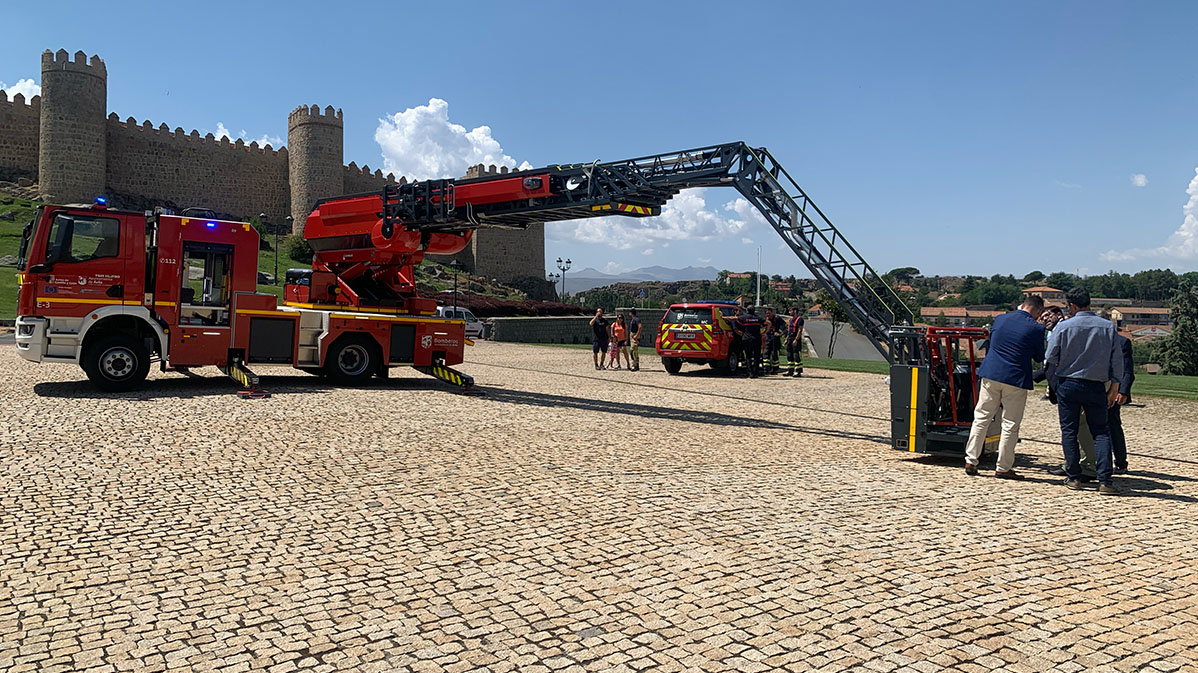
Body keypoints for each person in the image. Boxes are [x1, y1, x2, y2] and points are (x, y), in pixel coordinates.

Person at [1045, 287, 1124, 495]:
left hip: (1068, 383)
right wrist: (1114, 387)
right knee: (1100, 431)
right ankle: (1105, 480)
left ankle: (1074, 477)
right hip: (1096, 384)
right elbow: (1117, 362)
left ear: (1071, 305)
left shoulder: (1064, 327)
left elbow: (1050, 356)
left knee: (1069, 430)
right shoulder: (1108, 327)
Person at [963, 295, 1046, 479]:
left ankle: (971, 459)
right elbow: (1039, 357)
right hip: (1015, 378)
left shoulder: (1000, 318)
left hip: (991, 373)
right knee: (1010, 423)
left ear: (1022, 305)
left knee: (981, 417)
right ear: (1038, 311)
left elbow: (992, 343)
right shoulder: (1036, 328)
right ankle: (1003, 467)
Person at [737, 306, 765, 378]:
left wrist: (723, 317)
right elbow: (768, 323)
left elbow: (734, 318)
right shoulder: (758, 318)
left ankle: (750, 373)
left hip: (747, 339)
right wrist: (765, 332)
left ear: (747, 310)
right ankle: (756, 373)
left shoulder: (744, 318)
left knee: (748, 356)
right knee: (756, 356)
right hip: (756, 339)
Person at [763, 307, 785, 375]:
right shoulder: (766, 319)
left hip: (775, 337)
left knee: (774, 353)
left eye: (769, 313)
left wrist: (779, 332)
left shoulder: (777, 318)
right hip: (768, 337)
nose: (768, 315)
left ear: (772, 312)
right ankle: (766, 369)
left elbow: (784, 325)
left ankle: (775, 369)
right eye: (767, 313)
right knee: (766, 353)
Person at [785, 305, 805, 377]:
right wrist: (787, 339)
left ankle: (798, 371)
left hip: (795, 338)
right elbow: (789, 330)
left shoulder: (800, 319)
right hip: (790, 338)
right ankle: (790, 370)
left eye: (791, 310)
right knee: (789, 355)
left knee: (796, 355)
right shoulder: (790, 320)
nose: (789, 312)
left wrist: (796, 339)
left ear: (795, 311)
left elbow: (800, 330)